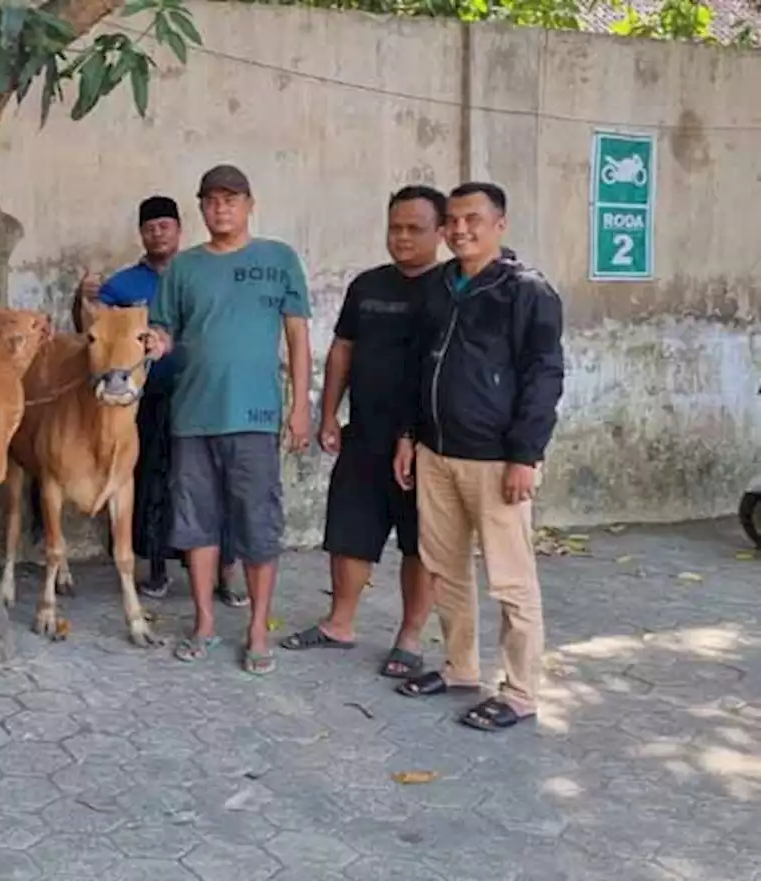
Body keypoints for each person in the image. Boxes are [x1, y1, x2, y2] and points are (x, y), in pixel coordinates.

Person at [392, 181, 564, 732]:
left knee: (511, 580)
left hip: (496, 459)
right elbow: (419, 368)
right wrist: (408, 436)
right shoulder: (441, 286)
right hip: (436, 453)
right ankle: (461, 667)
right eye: (453, 221)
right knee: (445, 569)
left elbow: (544, 375)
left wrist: (525, 455)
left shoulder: (526, 291)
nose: (460, 230)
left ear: (499, 225)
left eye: (473, 220)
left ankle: (519, 691)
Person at [147, 165, 312, 676]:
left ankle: (258, 629)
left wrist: (300, 405)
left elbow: (298, 338)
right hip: (193, 414)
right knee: (196, 525)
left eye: (231, 199)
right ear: (201, 207)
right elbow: (164, 330)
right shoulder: (183, 268)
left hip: (256, 417)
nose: (221, 208)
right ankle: (203, 623)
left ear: (249, 203)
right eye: (212, 200)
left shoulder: (279, 259)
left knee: (258, 525)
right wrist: (153, 342)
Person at [280, 185, 445, 679]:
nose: (402, 237)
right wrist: (328, 413)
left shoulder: (450, 290)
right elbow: (343, 350)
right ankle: (339, 624)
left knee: (420, 543)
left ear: (440, 232)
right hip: (365, 432)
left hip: (428, 442)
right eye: (395, 227)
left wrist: (416, 436)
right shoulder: (367, 285)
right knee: (349, 531)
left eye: (415, 229)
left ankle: (410, 638)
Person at [77, 196, 245, 605]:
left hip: (201, 392)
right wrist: (79, 296)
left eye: (164, 226)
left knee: (212, 482)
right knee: (153, 480)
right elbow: (92, 334)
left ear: (178, 229)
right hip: (145, 399)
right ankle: (155, 569)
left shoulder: (198, 273)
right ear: (142, 234)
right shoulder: (121, 285)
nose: (157, 233)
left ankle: (225, 574)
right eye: (150, 227)